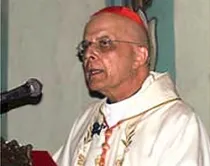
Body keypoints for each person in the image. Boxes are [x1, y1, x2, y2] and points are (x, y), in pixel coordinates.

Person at [53, 6, 210, 166]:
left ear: (139, 56)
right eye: (85, 46)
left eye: (104, 43)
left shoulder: (177, 123)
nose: (88, 54)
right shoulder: (87, 119)